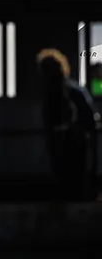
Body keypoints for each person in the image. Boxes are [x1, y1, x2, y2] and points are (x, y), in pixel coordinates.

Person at [38, 48, 99, 202]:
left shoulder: (56, 93)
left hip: (66, 143)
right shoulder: (73, 91)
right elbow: (90, 119)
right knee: (76, 183)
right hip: (76, 142)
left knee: (67, 183)